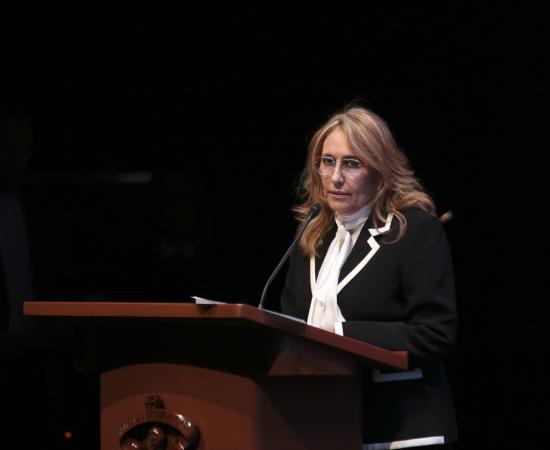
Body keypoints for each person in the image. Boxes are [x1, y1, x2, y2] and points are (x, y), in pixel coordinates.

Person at [280, 105, 458, 449]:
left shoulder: (414, 231)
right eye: (327, 161)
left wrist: (339, 335)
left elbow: (436, 335)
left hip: (402, 429)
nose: (335, 177)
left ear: (380, 170)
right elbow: (290, 329)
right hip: (321, 428)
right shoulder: (310, 238)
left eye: (351, 163)